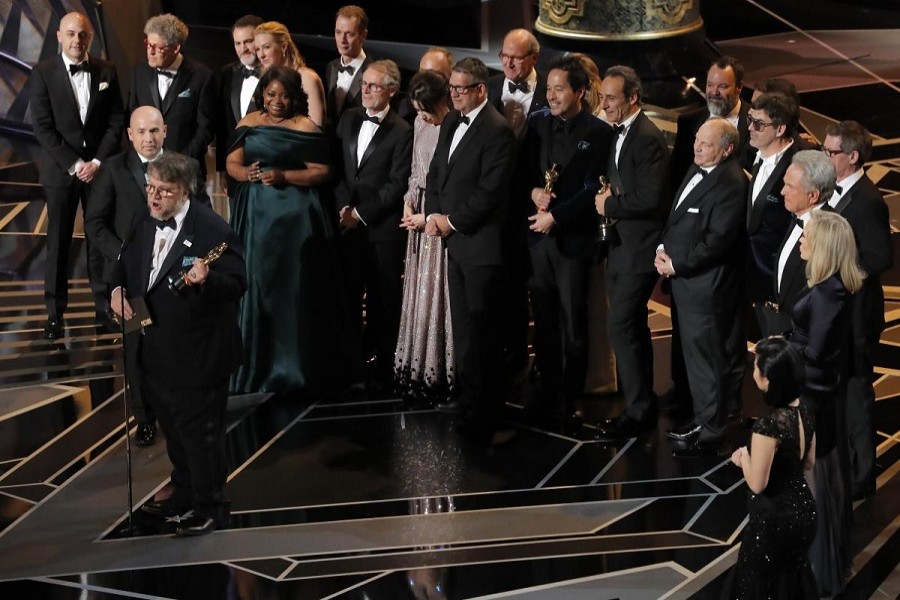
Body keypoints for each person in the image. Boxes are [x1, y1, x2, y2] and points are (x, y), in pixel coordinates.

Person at [112, 152, 246, 537]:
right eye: (150, 187)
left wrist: (208, 280)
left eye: (163, 192)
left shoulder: (213, 230)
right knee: (174, 427)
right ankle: (185, 491)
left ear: (185, 191)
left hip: (198, 355)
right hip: (154, 351)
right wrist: (117, 290)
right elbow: (124, 265)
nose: (153, 198)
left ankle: (210, 506)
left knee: (201, 435)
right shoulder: (142, 218)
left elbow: (238, 284)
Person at [226, 66, 350, 396]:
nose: (277, 101)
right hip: (256, 220)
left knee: (296, 289)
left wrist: (284, 177)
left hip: (298, 221)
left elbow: (323, 172)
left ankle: (296, 368)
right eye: (271, 94)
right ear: (262, 95)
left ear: (294, 96)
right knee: (260, 287)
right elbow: (232, 163)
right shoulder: (248, 123)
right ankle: (257, 368)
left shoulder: (305, 126)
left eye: (283, 95)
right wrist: (244, 175)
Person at [518, 56, 612, 431]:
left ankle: (570, 397)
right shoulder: (537, 122)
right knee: (543, 321)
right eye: (549, 88)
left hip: (573, 241)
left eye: (560, 89)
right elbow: (522, 171)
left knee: (574, 323)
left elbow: (592, 188)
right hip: (539, 242)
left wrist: (555, 216)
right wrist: (534, 191)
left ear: (580, 92)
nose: (552, 95)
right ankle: (545, 390)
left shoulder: (599, 132)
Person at [424, 57, 516, 435]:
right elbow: (435, 172)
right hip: (454, 244)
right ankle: (468, 398)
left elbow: (489, 193)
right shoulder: (449, 121)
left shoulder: (498, 131)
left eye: (460, 89)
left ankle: (488, 407)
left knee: (483, 329)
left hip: (481, 246)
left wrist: (451, 221)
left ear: (481, 90)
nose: (454, 94)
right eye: (452, 88)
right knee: (463, 326)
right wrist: (432, 213)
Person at [29, 11, 125, 339]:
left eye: (82, 35)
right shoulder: (42, 73)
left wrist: (97, 162)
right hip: (62, 174)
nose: (76, 40)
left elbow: (116, 121)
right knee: (58, 243)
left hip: (99, 172)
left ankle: (104, 308)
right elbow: (42, 127)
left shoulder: (106, 71)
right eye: (70, 34)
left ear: (90, 37)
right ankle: (54, 313)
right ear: (58, 36)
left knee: (100, 241)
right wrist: (74, 164)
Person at [656, 119, 748, 457]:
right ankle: (705, 418)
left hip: (705, 288)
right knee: (700, 360)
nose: (696, 147)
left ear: (726, 150)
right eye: (696, 140)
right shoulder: (698, 168)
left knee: (706, 362)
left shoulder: (730, 183)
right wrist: (661, 250)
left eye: (705, 144)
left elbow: (717, 240)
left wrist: (676, 264)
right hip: (686, 284)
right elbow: (677, 218)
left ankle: (711, 431)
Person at [593, 65, 670, 443]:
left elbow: (650, 198)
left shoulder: (648, 138)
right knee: (630, 328)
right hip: (618, 248)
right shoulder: (616, 132)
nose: (603, 104)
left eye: (610, 98)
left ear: (632, 98)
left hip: (639, 250)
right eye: (602, 97)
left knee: (621, 326)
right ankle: (641, 405)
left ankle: (639, 410)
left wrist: (609, 206)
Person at [790, 209, 865, 596]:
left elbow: (817, 356)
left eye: (806, 237)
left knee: (816, 486)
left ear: (823, 247)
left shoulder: (827, 294)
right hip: (820, 399)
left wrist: (782, 358)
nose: (801, 241)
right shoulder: (833, 287)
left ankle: (817, 571)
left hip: (814, 402)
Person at [823, 121, 892, 500]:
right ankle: (845, 465)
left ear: (852, 157)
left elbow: (881, 256)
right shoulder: (835, 191)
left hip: (858, 318)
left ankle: (864, 475)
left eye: (832, 152)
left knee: (856, 395)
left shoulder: (867, 200)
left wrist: (840, 269)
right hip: (838, 315)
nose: (826, 157)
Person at [334, 60, 413, 394]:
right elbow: (338, 168)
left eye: (373, 85)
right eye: (364, 84)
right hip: (346, 226)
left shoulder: (403, 130)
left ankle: (384, 367)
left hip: (381, 230)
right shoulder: (349, 118)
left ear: (392, 91)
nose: (364, 90)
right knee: (348, 297)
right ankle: (350, 364)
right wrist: (343, 208)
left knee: (384, 299)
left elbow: (396, 186)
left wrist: (360, 214)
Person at [725, 336, 818, 599]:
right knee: (790, 585)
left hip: (774, 524)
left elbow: (757, 483)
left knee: (759, 587)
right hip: (804, 516)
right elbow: (808, 462)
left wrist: (744, 458)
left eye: (756, 367)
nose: (752, 371)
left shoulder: (768, 426)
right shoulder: (806, 411)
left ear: (768, 380)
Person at [393, 70, 454, 403]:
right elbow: (415, 174)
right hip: (416, 220)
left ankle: (440, 369)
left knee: (438, 295)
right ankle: (415, 367)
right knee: (418, 292)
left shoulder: (452, 127)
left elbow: (447, 183)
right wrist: (407, 202)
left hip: (437, 223)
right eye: (417, 110)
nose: (422, 116)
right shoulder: (419, 125)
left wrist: (426, 215)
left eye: (425, 109)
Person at [127, 14, 215, 186]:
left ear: (175, 48)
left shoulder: (202, 76)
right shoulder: (139, 71)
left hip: (186, 171)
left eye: (157, 47)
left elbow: (206, 128)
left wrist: (179, 163)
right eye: (148, 44)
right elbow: (132, 117)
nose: (150, 51)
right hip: (145, 170)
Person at [746, 92, 799, 337]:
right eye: (749, 120)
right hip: (755, 281)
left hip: (780, 289)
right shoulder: (758, 159)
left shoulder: (796, 168)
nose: (750, 128)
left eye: (759, 124)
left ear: (779, 129)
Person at [670, 56, 750, 190]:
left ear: (739, 87)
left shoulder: (756, 123)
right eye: (710, 85)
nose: (714, 92)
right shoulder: (688, 122)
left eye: (723, 86)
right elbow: (676, 176)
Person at [215, 15, 263, 198]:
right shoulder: (228, 73)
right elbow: (223, 125)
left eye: (248, 41)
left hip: (267, 171)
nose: (243, 48)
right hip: (234, 170)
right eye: (238, 43)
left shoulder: (277, 73)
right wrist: (222, 169)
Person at [253, 21, 326, 128]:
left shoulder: (307, 78)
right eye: (257, 49)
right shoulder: (266, 79)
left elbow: (316, 127)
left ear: (284, 47)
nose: (261, 55)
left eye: (266, 47)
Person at [487, 29, 548, 137]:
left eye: (516, 58)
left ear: (534, 58)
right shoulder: (489, 86)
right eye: (505, 56)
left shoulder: (549, 87)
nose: (509, 64)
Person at [325, 5, 371, 127]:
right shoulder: (331, 66)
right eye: (338, 32)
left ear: (363, 35)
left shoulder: (373, 72)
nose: (342, 40)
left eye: (349, 34)